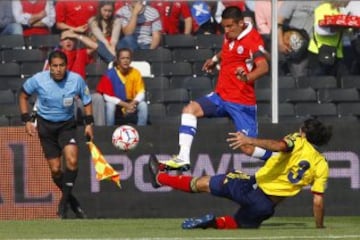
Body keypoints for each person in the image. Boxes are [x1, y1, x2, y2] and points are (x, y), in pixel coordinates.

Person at [148, 118, 332, 229]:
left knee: (202, 183)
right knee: (239, 224)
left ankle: (160, 178)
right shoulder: (321, 164)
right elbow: (317, 201)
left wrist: (250, 140)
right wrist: (319, 226)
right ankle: (214, 223)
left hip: (250, 187)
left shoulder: (297, 141)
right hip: (266, 206)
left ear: (304, 134)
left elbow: (279, 146)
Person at [162, 6, 269, 171]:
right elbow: (227, 49)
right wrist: (214, 59)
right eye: (224, 26)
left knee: (247, 148)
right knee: (189, 110)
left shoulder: (252, 41)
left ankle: (277, 156)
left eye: (229, 27)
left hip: (242, 102)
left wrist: (247, 77)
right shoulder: (230, 34)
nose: (225, 30)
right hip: (221, 96)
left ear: (241, 23)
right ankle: (183, 157)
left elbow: (263, 67)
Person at [18, 50, 94, 219]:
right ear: (49, 67)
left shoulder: (76, 80)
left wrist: (89, 124)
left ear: (66, 66)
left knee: (72, 161)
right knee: (56, 170)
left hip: (67, 125)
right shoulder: (39, 80)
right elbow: (22, 96)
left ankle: (63, 205)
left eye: (61, 66)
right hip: (45, 127)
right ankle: (72, 202)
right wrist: (26, 119)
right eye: (55, 66)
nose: (58, 69)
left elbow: (87, 101)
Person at [96, 48, 148, 126]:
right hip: (117, 105)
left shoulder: (136, 72)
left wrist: (132, 104)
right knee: (110, 106)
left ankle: (141, 131)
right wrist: (126, 105)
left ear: (131, 60)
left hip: (131, 104)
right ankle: (110, 131)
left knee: (143, 105)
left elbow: (141, 92)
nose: (125, 61)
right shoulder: (109, 74)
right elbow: (107, 97)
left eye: (128, 58)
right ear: (117, 60)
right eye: (123, 58)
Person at [277, 1, 320, 78]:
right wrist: (280, 43)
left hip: (314, 47)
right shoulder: (291, 2)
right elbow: (278, 21)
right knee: (299, 77)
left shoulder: (322, 2)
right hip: (296, 46)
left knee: (315, 78)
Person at [307, 1, 349, 78]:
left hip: (337, 53)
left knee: (339, 83)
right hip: (319, 53)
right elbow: (319, 30)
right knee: (318, 82)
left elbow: (346, 32)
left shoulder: (342, 10)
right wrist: (336, 29)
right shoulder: (323, 8)